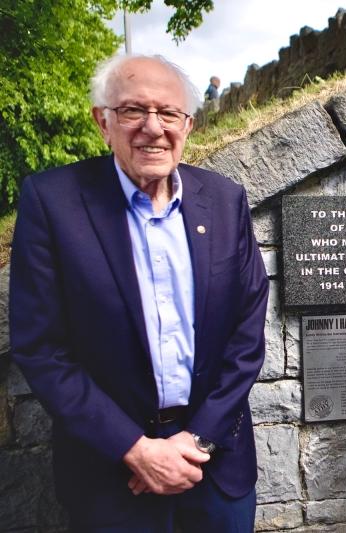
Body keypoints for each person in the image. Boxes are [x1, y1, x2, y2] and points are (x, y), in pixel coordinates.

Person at [10, 54, 269, 532]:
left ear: (187, 125)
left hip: (216, 467)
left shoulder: (224, 199)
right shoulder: (54, 202)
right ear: (102, 121)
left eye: (168, 113)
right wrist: (135, 449)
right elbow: (41, 347)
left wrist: (199, 441)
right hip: (111, 475)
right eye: (133, 111)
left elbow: (247, 334)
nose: (153, 127)